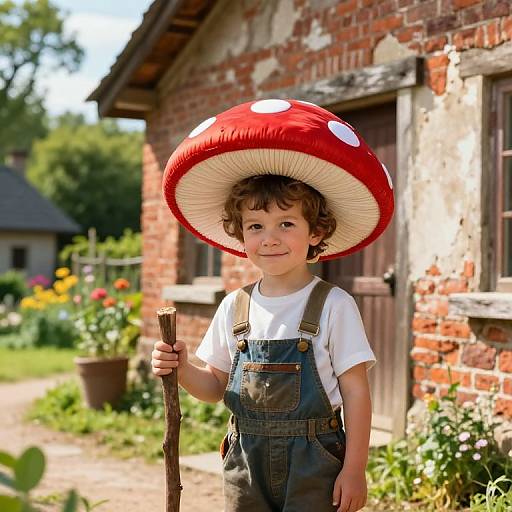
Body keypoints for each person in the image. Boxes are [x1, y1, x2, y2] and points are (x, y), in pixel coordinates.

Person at [152, 99, 394, 512]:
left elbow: (356, 392)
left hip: (317, 461)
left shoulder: (334, 305)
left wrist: (355, 468)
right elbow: (213, 388)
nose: (270, 238)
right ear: (239, 233)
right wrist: (181, 367)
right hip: (245, 460)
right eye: (255, 226)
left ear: (316, 232)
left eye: (287, 224)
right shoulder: (235, 307)